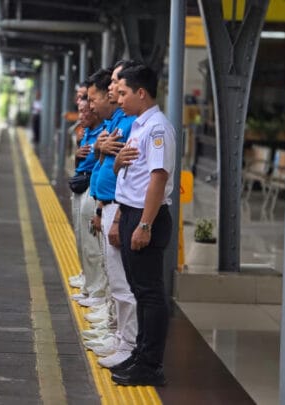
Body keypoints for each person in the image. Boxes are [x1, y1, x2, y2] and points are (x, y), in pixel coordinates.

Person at [110, 64, 176, 386]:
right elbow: (132, 174)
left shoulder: (157, 129)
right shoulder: (139, 125)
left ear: (141, 93)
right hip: (132, 213)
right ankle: (140, 354)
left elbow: (158, 178)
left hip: (146, 217)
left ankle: (151, 365)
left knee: (149, 294)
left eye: (123, 93)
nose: (119, 98)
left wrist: (145, 225)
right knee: (139, 290)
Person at [86, 60, 140, 368]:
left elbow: (131, 172)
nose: (112, 91)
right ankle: (119, 336)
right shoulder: (120, 120)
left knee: (122, 283)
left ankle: (126, 343)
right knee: (115, 278)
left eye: (117, 85)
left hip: (118, 207)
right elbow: (106, 161)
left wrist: (118, 215)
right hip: (107, 204)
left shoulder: (135, 123)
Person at [69, 98, 104, 300]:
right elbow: (80, 164)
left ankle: (97, 291)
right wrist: (77, 153)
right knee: (82, 239)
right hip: (82, 185)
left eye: (85, 111)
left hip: (93, 188)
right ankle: (89, 284)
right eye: (80, 111)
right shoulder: (85, 133)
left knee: (93, 245)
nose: (81, 116)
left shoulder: (104, 132)